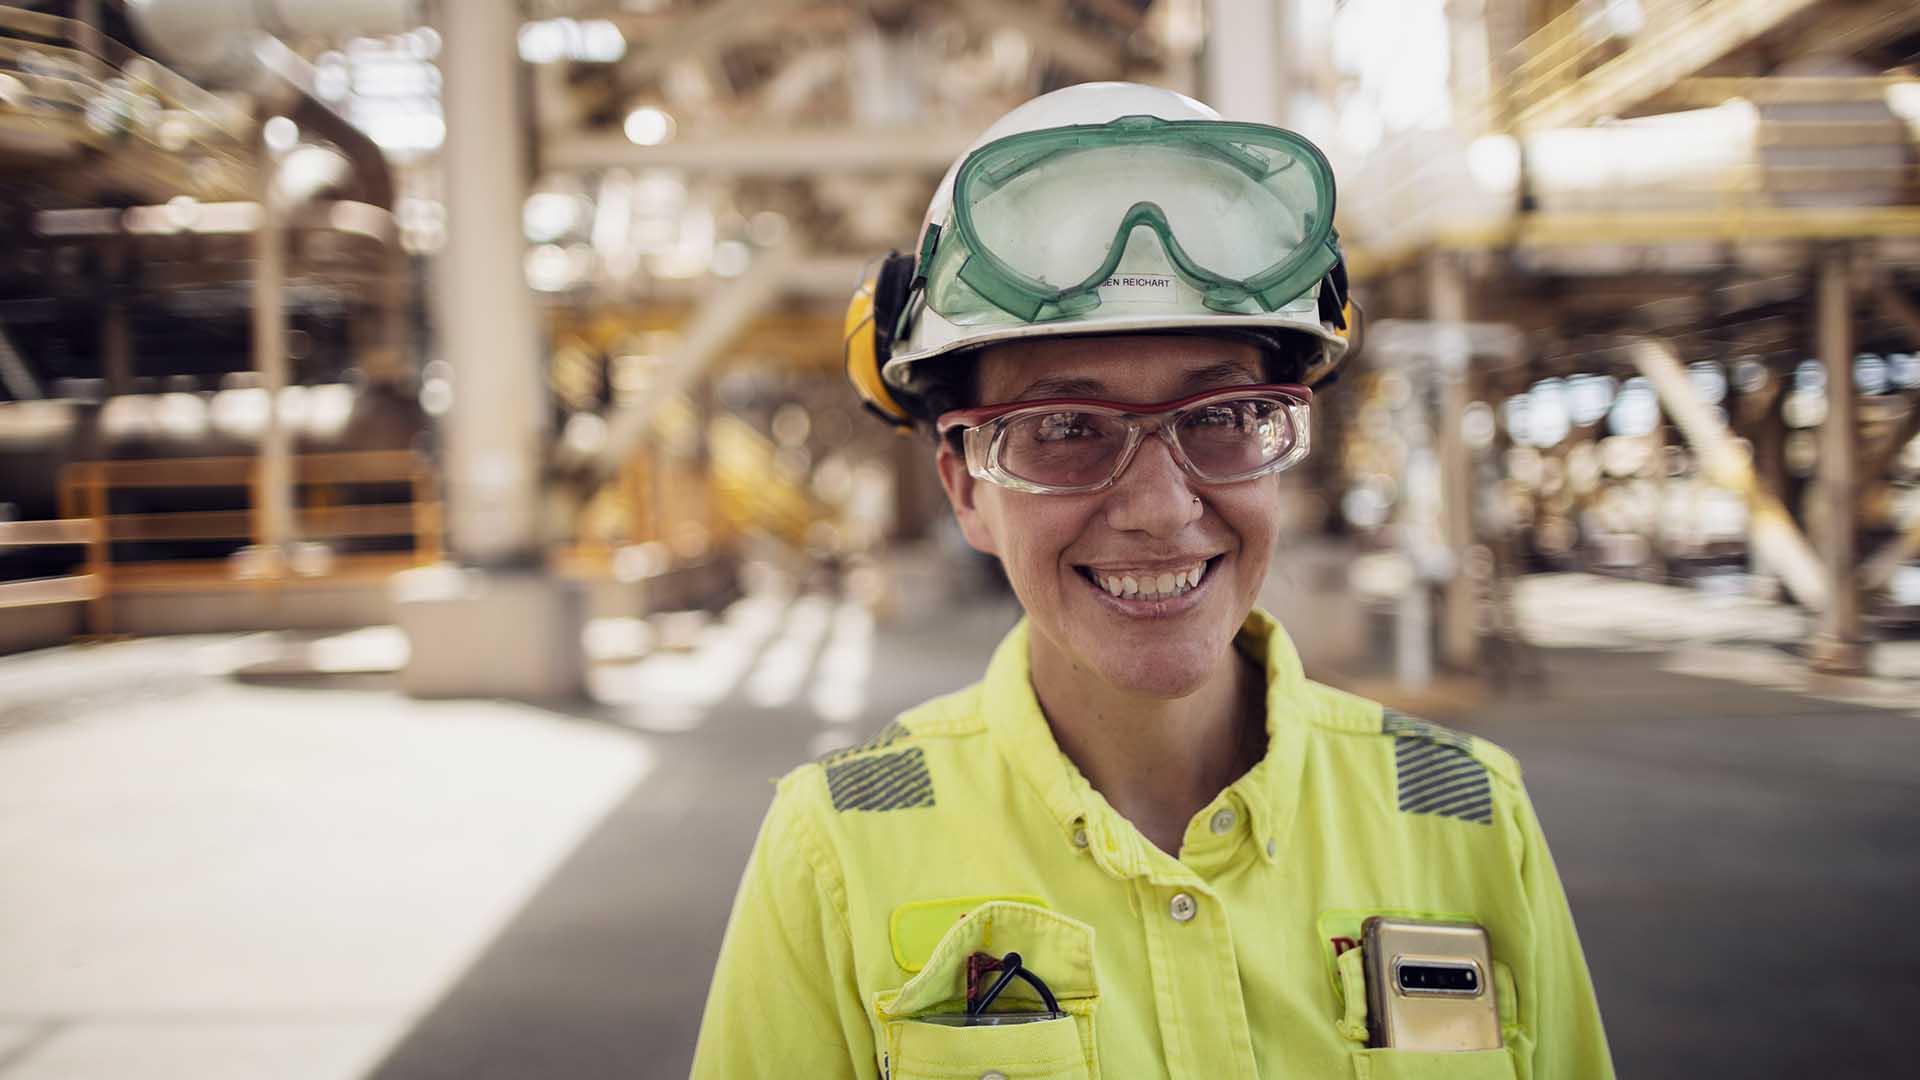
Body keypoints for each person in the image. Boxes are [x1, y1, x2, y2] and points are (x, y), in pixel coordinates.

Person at [692, 82, 1613, 1079]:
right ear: (964, 487)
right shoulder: (837, 849)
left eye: (1219, 417)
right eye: (1064, 430)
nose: (1161, 508)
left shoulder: (1468, 820)